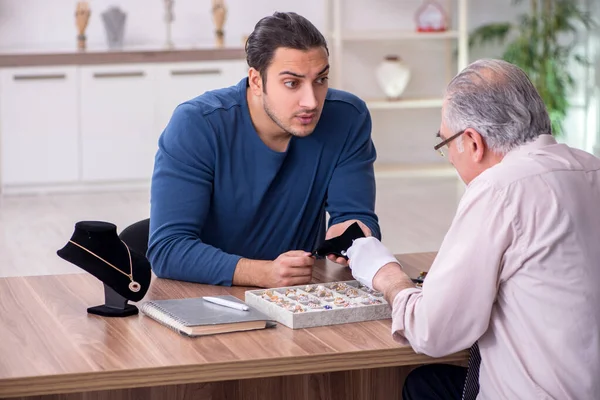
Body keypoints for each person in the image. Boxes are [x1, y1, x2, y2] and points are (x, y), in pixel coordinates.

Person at [347, 59, 600, 399]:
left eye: (446, 143)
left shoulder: (499, 188)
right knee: (428, 384)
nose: (450, 157)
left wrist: (385, 274)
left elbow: (433, 332)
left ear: (472, 141)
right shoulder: (590, 167)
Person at [147, 11, 380, 288]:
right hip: (204, 295)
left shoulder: (347, 117)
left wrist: (352, 235)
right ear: (256, 81)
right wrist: (264, 273)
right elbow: (167, 249)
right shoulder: (197, 125)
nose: (311, 101)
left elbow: (356, 215)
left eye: (320, 80)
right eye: (292, 83)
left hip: (296, 297)